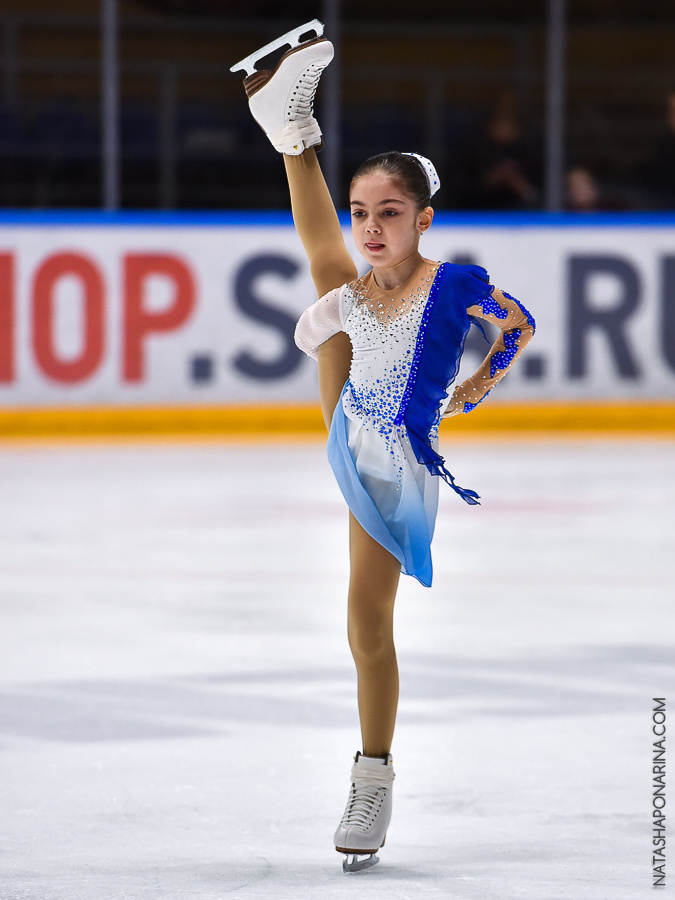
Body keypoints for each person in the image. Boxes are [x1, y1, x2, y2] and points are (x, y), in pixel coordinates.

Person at [231, 20, 535, 874]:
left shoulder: (454, 284)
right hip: (347, 421)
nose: (370, 226)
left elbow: (516, 325)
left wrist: (479, 384)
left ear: (422, 219)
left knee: (366, 626)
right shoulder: (358, 288)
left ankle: (372, 776)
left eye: (388, 214)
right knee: (329, 271)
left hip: (394, 466)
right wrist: (327, 320)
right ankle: (290, 128)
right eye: (361, 212)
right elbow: (325, 289)